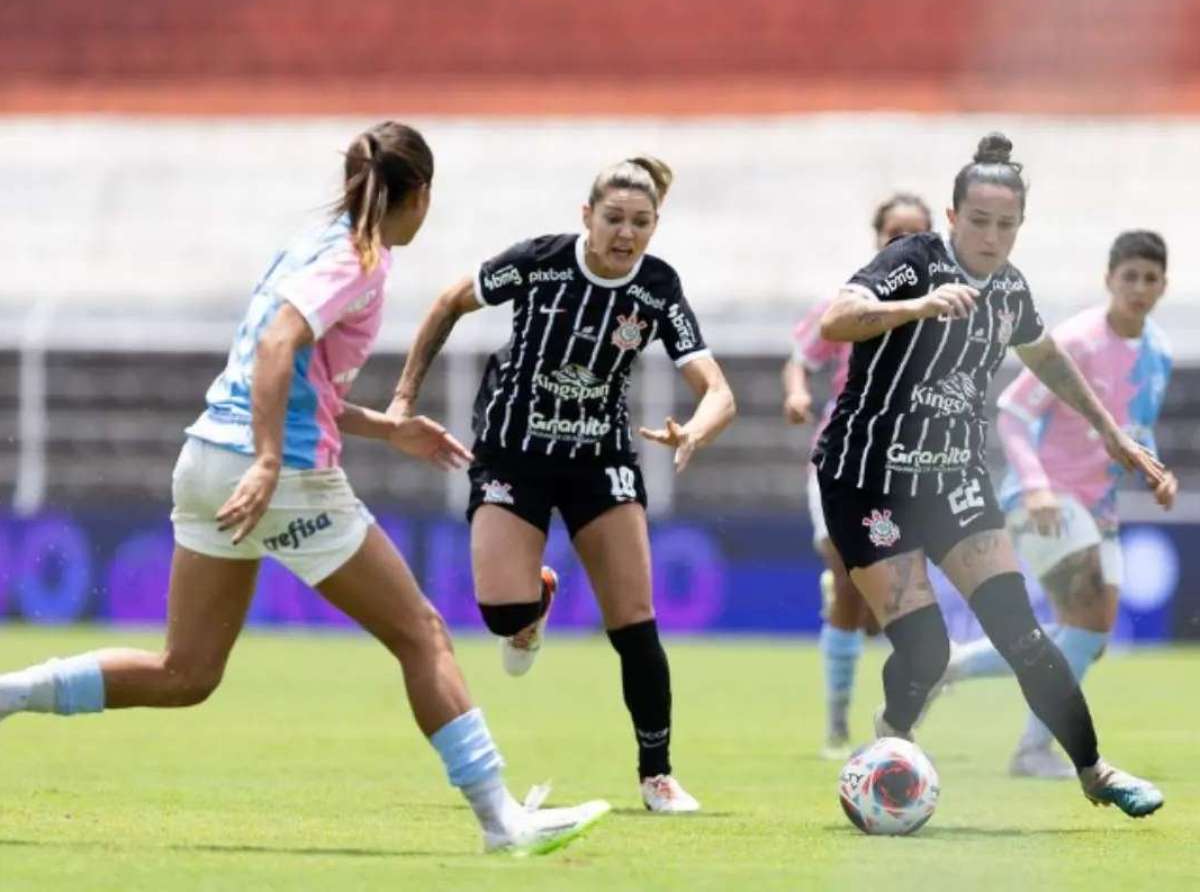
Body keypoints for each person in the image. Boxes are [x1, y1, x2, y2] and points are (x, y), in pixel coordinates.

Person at [0, 121, 609, 856]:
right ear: (418, 194)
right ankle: (500, 822)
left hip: (203, 462)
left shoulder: (308, 246)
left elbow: (296, 375)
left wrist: (387, 429)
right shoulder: (359, 260)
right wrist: (265, 461)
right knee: (422, 635)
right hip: (279, 476)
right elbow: (277, 345)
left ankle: (8, 694)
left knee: (185, 672)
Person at [812, 131, 1169, 818]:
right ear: (951, 218)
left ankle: (1094, 772)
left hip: (954, 482)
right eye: (978, 221)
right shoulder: (911, 261)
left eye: (1006, 225)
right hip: (868, 482)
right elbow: (836, 319)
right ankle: (891, 738)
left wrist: (1110, 430)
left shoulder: (1009, 290)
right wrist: (912, 308)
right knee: (924, 647)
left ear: (1020, 227)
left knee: (1023, 633)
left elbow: (1047, 358)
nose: (991, 236)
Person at [387, 156, 736, 813]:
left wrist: (696, 429)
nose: (625, 234)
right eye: (613, 219)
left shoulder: (657, 288)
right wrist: (405, 395)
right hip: (514, 454)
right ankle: (534, 606)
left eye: (640, 222)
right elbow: (448, 302)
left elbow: (717, 390)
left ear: (655, 225)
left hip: (599, 459)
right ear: (587, 217)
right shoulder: (540, 261)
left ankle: (656, 774)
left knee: (634, 623)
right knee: (501, 613)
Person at [940, 230, 1175, 779]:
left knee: (1087, 638)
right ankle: (1034, 751)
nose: (1139, 288)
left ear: (1165, 284)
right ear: (1109, 280)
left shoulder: (1159, 351)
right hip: (1043, 496)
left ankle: (953, 666)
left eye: (1150, 278)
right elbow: (1013, 411)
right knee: (1090, 617)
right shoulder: (1078, 340)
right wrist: (1037, 484)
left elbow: (1136, 428)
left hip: (1100, 507)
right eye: (1130, 277)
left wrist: (1157, 472)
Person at [783, 193, 933, 759]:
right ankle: (838, 728)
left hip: (905, 472)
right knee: (851, 582)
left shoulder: (942, 314)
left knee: (881, 608)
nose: (901, 243)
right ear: (876, 238)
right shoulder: (852, 302)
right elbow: (801, 353)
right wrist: (798, 392)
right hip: (840, 461)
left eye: (913, 234)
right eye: (893, 233)